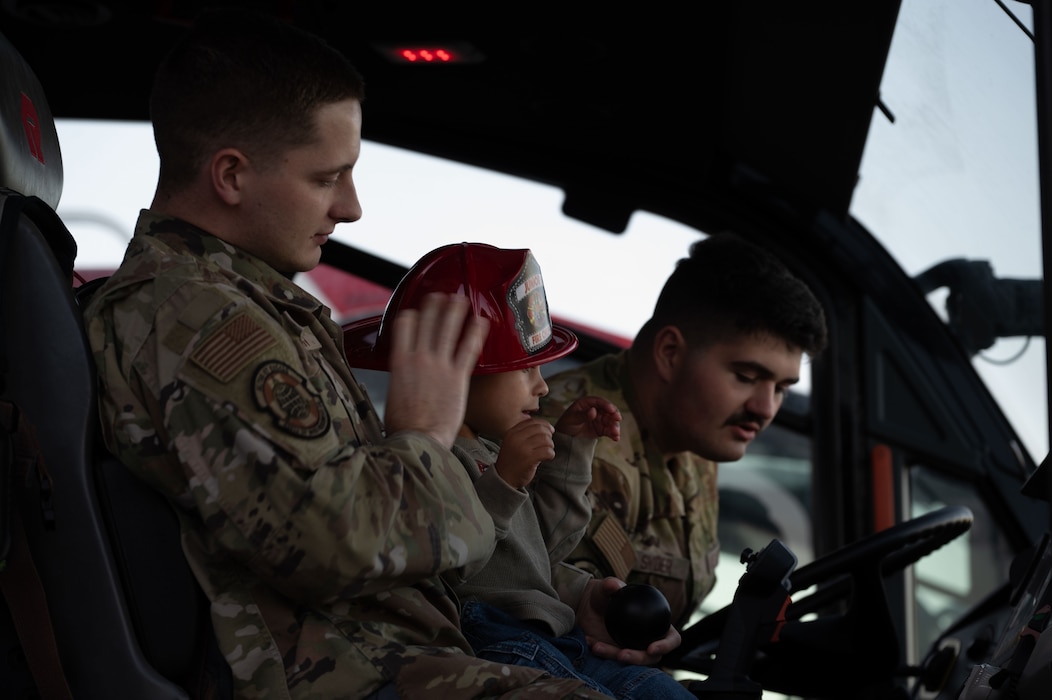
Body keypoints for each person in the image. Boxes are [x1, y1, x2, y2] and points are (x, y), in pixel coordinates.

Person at [82, 10, 642, 700]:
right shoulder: (197, 317)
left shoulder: (241, 305)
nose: (351, 208)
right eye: (327, 178)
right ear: (231, 175)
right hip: (335, 674)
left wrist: (565, 591)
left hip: (384, 649)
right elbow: (331, 543)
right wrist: (425, 435)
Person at [345, 243, 693, 699]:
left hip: (554, 635)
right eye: (524, 369)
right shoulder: (418, 461)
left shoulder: (494, 449)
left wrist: (571, 453)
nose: (542, 386)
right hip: (496, 641)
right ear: (456, 370)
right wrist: (504, 482)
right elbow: (438, 566)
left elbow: (547, 546)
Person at [537, 232, 829, 629]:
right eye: (745, 376)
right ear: (671, 354)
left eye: (781, 388)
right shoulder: (563, 439)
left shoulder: (698, 433)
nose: (765, 408)